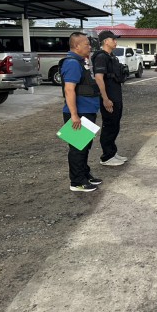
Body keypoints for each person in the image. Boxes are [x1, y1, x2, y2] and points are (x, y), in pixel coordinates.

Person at [60, 32, 101, 192]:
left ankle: (84, 174)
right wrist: (74, 115)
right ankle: (77, 182)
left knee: (85, 146)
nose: (89, 47)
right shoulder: (72, 63)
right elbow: (69, 90)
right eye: (86, 44)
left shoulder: (80, 62)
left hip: (86, 110)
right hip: (79, 112)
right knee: (78, 148)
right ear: (77, 46)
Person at [92, 30, 128, 167]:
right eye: (113, 39)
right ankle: (107, 156)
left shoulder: (111, 56)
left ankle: (112, 152)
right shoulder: (101, 57)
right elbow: (99, 78)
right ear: (106, 41)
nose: (115, 42)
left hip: (116, 95)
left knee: (115, 125)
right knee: (109, 126)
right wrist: (105, 98)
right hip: (109, 97)